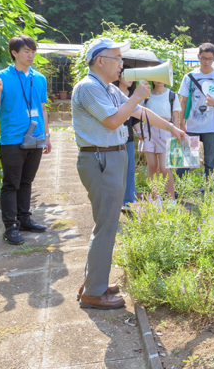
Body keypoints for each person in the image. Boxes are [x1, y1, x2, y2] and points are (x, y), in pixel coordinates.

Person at [72, 38, 185, 309]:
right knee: (107, 225)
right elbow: (113, 120)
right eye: (117, 58)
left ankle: (93, 282)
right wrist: (135, 95)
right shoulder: (88, 88)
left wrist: (172, 128)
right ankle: (93, 293)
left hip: (111, 157)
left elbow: (138, 111)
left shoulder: (107, 88)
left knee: (106, 223)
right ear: (100, 61)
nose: (122, 64)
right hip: (101, 159)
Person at [0, 35, 50, 245]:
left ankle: (24, 219)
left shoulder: (39, 78)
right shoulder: (0, 78)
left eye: (33, 51)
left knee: (26, 182)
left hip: (37, 138)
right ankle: (10, 227)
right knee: (11, 184)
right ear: (14, 53)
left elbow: (42, 109)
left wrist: (47, 136)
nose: (31, 55)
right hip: (12, 140)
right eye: (26, 51)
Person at [178, 43, 214, 178]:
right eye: (203, 58)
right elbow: (183, 101)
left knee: (210, 162)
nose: (206, 61)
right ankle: (179, 191)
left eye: (209, 58)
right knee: (184, 162)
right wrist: (181, 123)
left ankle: (208, 191)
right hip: (191, 125)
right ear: (198, 57)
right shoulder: (189, 76)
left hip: (211, 126)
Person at [139, 80, 181, 199]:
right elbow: (139, 112)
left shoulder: (172, 95)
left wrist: (175, 135)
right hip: (149, 131)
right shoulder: (147, 96)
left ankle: (171, 198)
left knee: (164, 168)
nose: (160, 79)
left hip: (167, 131)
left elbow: (175, 117)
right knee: (152, 166)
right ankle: (156, 198)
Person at [112, 69, 141, 211]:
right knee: (115, 171)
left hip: (128, 137)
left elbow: (136, 117)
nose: (130, 79)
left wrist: (139, 131)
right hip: (112, 138)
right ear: (119, 76)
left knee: (130, 170)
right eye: (127, 75)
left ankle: (128, 200)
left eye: (133, 76)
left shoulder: (133, 95)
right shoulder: (111, 92)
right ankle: (115, 199)